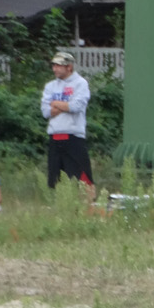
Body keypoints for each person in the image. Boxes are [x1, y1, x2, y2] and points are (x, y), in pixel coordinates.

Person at [41, 50, 94, 198]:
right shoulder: (50, 86)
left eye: (59, 66)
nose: (55, 69)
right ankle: (60, 208)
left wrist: (56, 104)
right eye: (54, 65)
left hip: (73, 137)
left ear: (69, 67)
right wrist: (65, 106)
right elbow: (45, 111)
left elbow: (76, 107)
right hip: (54, 137)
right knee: (54, 180)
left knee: (82, 178)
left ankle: (88, 206)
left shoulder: (80, 84)